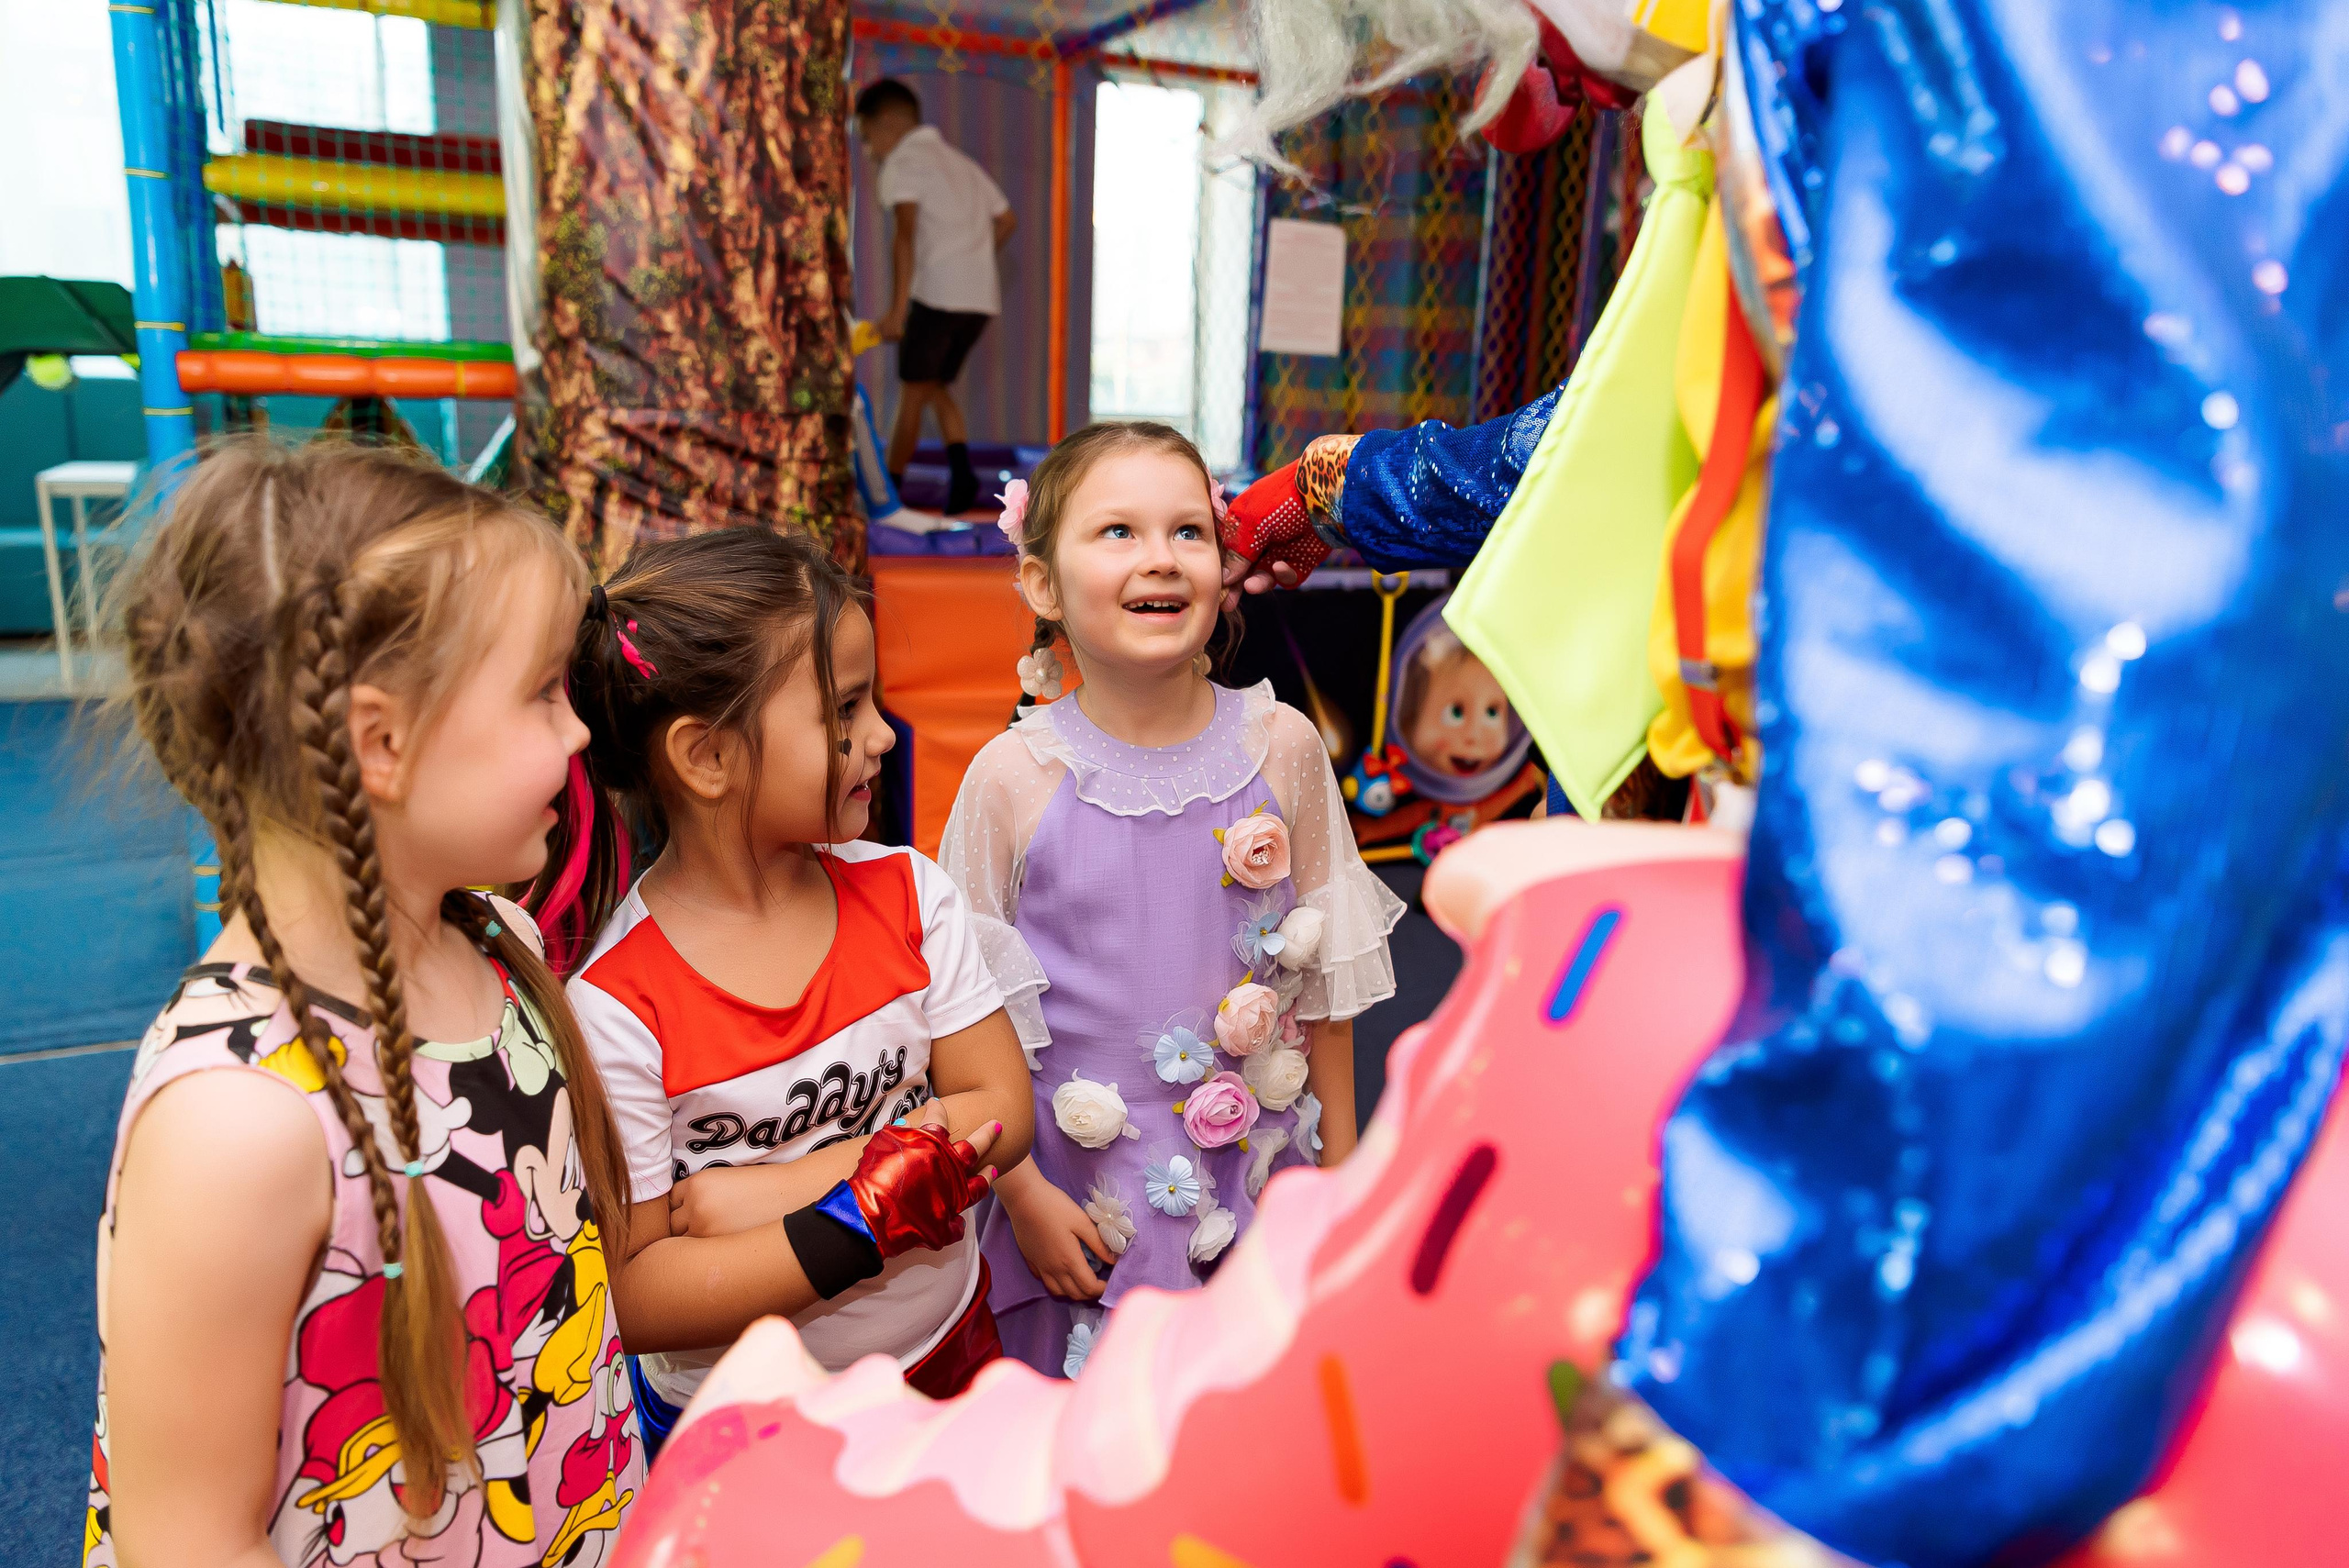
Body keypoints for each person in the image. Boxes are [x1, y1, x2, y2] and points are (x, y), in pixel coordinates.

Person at [89, 439, 645, 1567]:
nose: (579, 730)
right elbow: (185, 1537)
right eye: (543, 693)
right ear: (381, 742)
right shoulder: (236, 1124)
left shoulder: (499, 944)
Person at [540, 528, 1032, 1451]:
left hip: (947, 1353)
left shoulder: (909, 893)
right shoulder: (616, 1001)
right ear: (708, 756)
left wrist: (770, 1193)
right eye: (845, 706)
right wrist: (864, 1213)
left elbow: (1003, 1109)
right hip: (749, 1425)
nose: (882, 733)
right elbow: (639, 1294)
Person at [940, 420, 1406, 1378]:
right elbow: (962, 1024)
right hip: (1078, 1209)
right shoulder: (1009, 778)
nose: (1160, 556)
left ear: (1225, 565)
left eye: (1188, 531)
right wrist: (1022, 1196)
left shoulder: (1282, 745)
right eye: (1118, 531)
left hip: (1258, 1186)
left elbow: (1326, 996)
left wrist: (1342, 1187)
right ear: (1041, 584)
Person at [853, 77, 1018, 515]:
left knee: (912, 393)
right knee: (933, 386)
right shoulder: (961, 163)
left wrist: (896, 311)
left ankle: (887, 498)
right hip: (979, 300)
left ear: (886, 124)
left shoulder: (903, 163)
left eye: (866, 137)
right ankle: (962, 475)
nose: (868, 151)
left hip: (937, 296)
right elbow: (1007, 220)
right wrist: (971, 259)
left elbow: (904, 236)